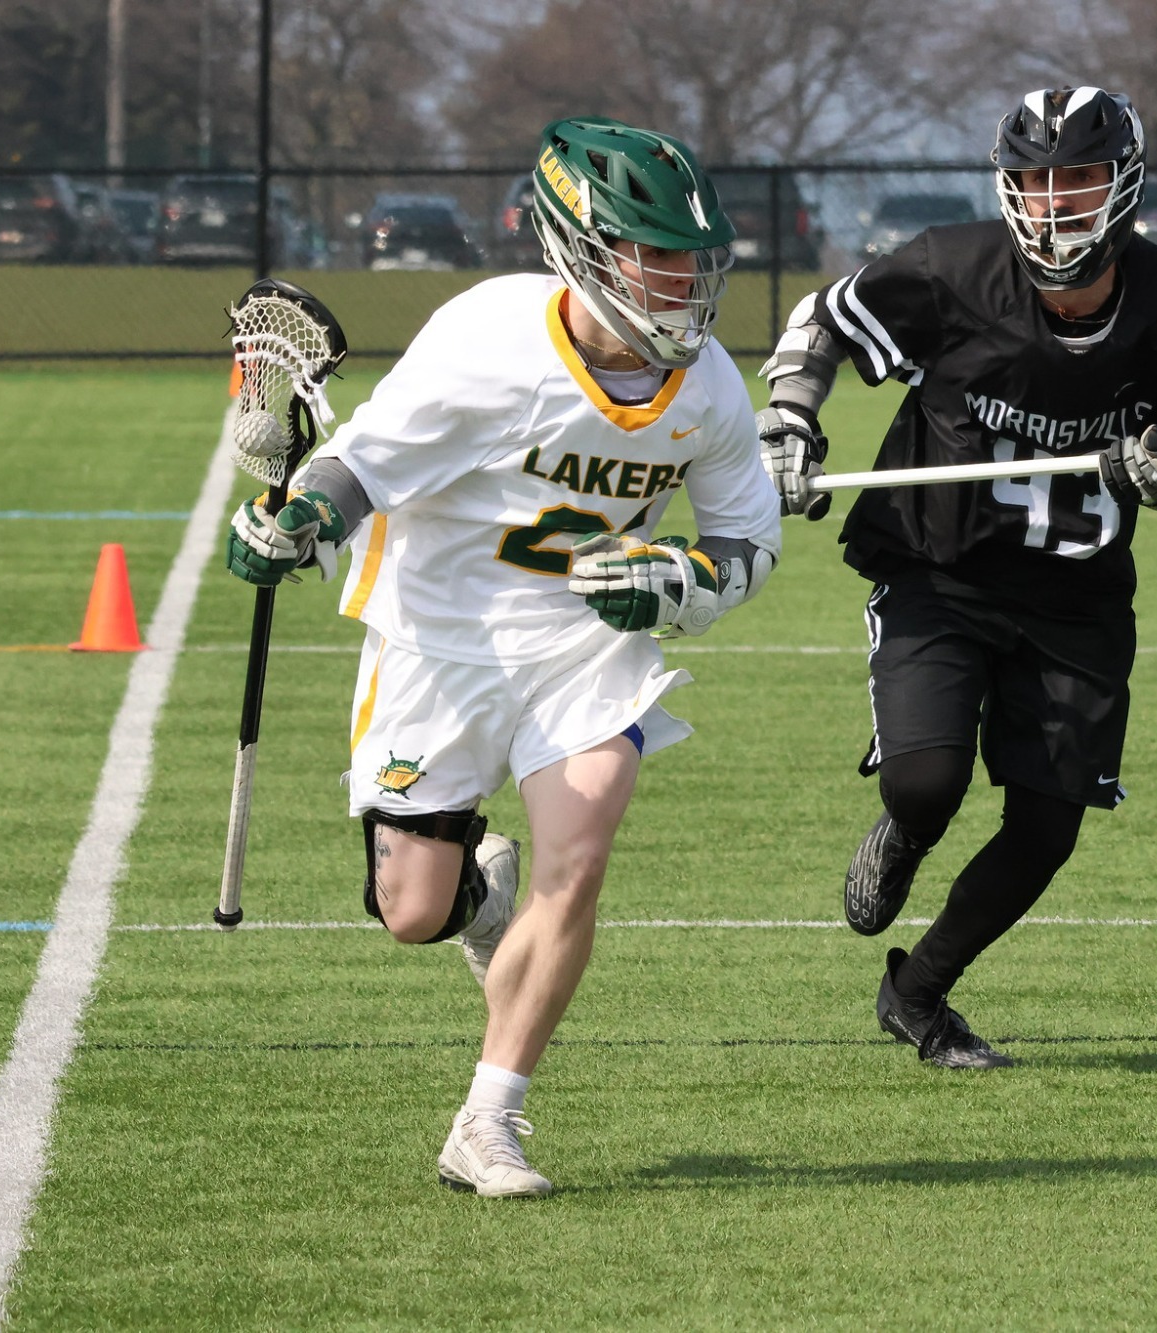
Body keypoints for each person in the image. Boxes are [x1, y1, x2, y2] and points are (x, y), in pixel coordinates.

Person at [225, 116, 781, 1194]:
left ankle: (488, 1120)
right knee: (411, 913)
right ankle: (477, 905)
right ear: (581, 248)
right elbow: (362, 460)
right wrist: (298, 522)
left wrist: (686, 580)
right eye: (652, 256)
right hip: (441, 632)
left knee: (583, 840)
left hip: (580, 642)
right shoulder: (490, 342)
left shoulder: (707, 386)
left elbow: (747, 543)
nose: (680, 285)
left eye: (691, 261)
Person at [755, 86, 1157, 1068]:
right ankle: (901, 834)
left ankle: (918, 993)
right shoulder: (951, 269)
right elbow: (817, 324)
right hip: (937, 568)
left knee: (1044, 828)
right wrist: (789, 420)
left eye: (1074, 179)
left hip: (1073, 597)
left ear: (1122, 185)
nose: (1051, 203)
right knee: (926, 781)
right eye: (1032, 181)